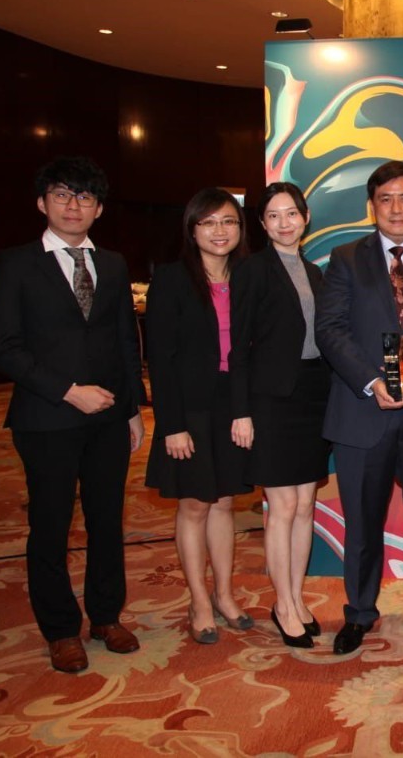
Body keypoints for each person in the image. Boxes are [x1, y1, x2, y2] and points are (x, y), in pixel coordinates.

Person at [0, 156, 146, 673]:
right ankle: (60, 629)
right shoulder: (15, 263)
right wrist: (67, 390)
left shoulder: (115, 264)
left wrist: (133, 409)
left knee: (106, 522)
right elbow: (4, 347)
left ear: (98, 208)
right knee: (51, 526)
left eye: (84, 197)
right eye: (61, 194)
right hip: (45, 418)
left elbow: (126, 339)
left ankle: (105, 616)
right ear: (42, 203)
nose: (73, 205)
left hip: (108, 421)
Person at [315, 160, 403, 656]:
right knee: (362, 522)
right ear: (372, 205)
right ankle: (358, 612)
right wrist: (372, 380)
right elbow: (330, 330)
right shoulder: (347, 258)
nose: (395, 209)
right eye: (385, 199)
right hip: (363, 413)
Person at [145, 187, 255, 644]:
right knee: (194, 504)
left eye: (228, 221)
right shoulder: (171, 279)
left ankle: (226, 594)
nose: (219, 231)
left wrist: (247, 409)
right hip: (188, 409)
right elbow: (161, 358)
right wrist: (171, 424)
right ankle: (199, 601)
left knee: (225, 501)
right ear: (192, 230)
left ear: (240, 228)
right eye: (208, 222)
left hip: (234, 405)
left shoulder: (250, 276)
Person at [229, 183, 330, 648]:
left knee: (307, 506)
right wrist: (242, 411)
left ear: (305, 218)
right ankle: (283, 602)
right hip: (270, 401)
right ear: (263, 224)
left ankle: (297, 596)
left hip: (313, 396)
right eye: (274, 216)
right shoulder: (252, 270)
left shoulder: (315, 271)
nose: (284, 222)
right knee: (282, 507)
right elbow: (238, 348)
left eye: (292, 213)